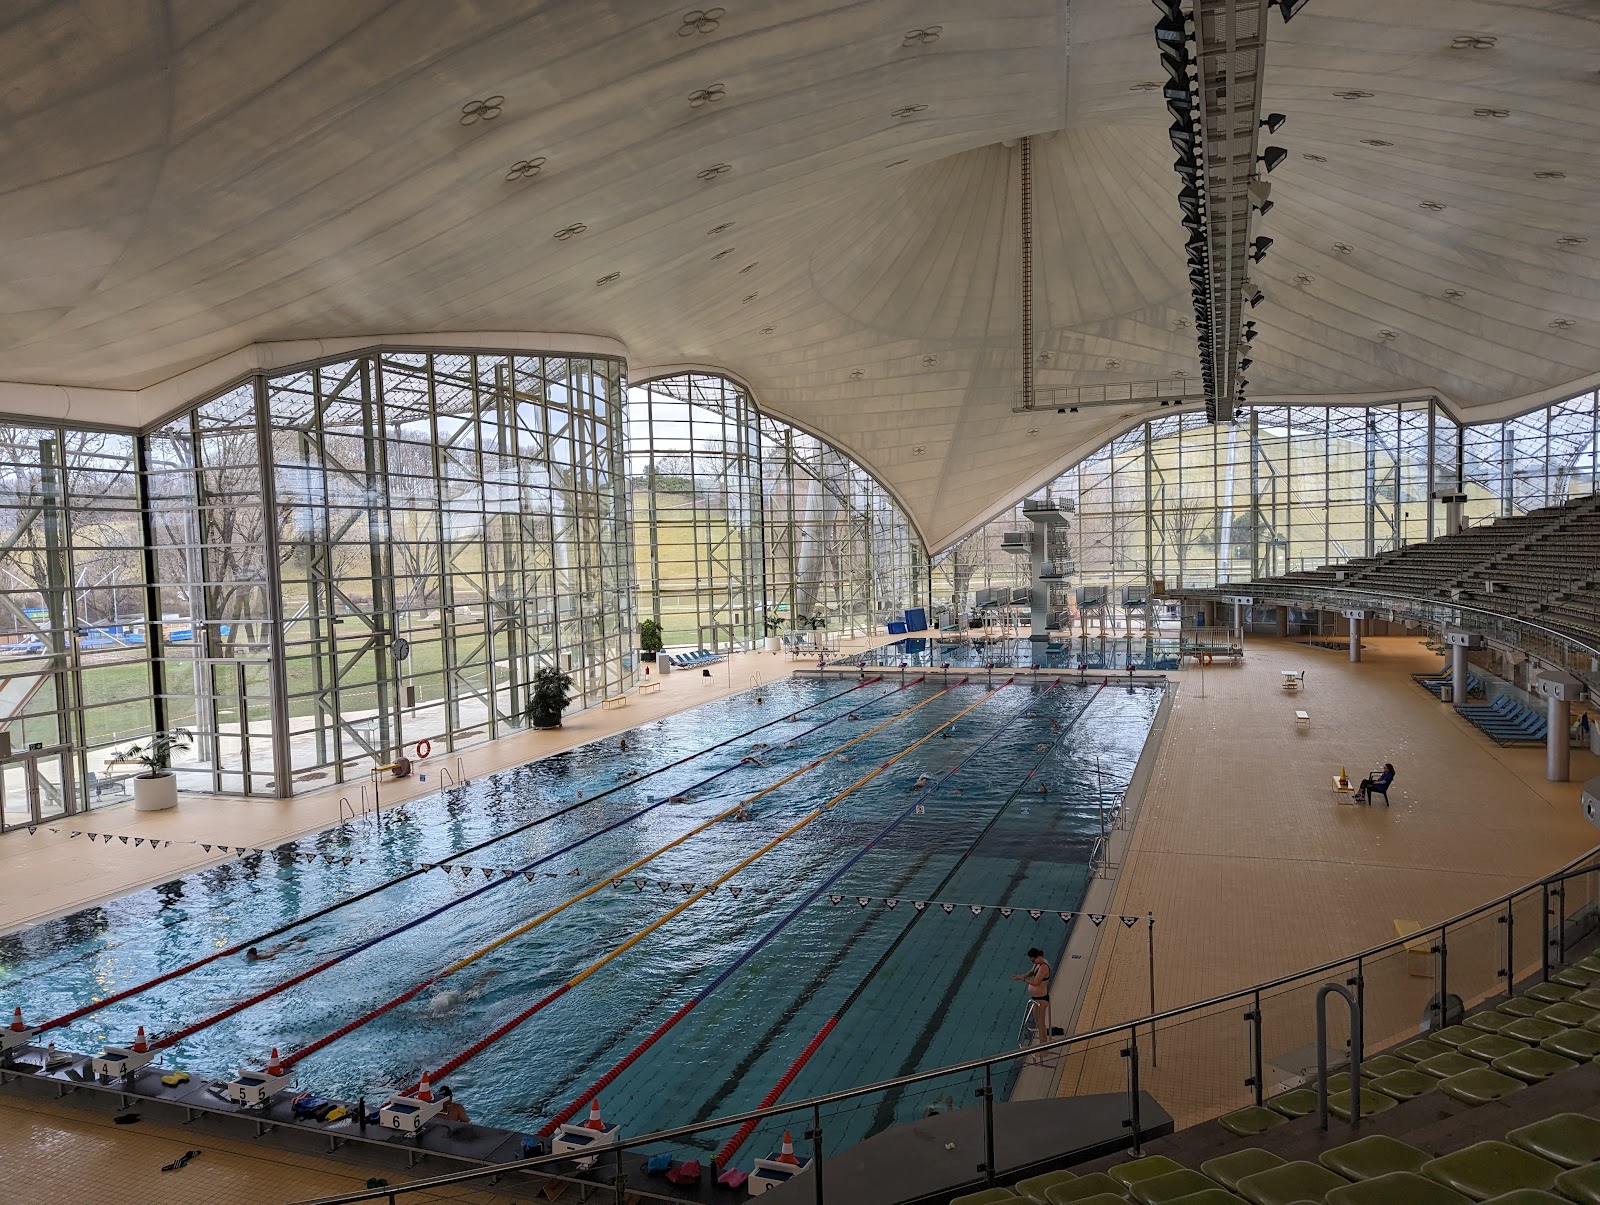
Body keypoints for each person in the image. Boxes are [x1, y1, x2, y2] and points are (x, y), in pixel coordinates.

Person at [1012, 948, 1052, 1048]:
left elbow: (1036, 982)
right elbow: (1031, 972)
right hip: (1036, 999)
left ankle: (1044, 1050)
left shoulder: (1044, 967)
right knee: (1039, 1024)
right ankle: (1042, 1046)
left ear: (1038, 957)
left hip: (1042, 999)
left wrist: (1022, 979)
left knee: (1041, 1025)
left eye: (1033, 960)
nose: (1032, 962)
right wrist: (1022, 975)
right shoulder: (1037, 963)